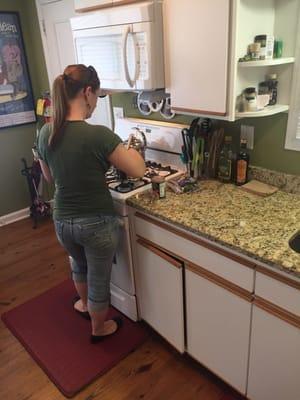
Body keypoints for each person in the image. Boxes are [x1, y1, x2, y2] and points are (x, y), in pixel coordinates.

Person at [37, 64, 145, 343]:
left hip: (62, 221)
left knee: (78, 263)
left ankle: (84, 305)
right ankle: (99, 328)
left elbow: (48, 176)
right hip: (96, 223)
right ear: (86, 92)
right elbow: (138, 171)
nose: (96, 102)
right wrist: (132, 147)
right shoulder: (98, 135)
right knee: (98, 277)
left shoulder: (46, 132)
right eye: (96, 95)